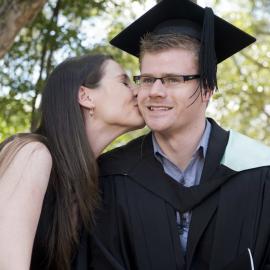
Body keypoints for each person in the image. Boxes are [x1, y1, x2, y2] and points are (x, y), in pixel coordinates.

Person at [90, 0, 270, 269]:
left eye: (173, 79)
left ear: (207, 89)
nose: (155, 91)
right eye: (148, 79)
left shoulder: (259, 168)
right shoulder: (111, 174)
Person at [0, 54, 144, 270]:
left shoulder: (93, 184)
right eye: (124, 82)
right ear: (85, 96)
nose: (138, 91)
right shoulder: (32, 154)